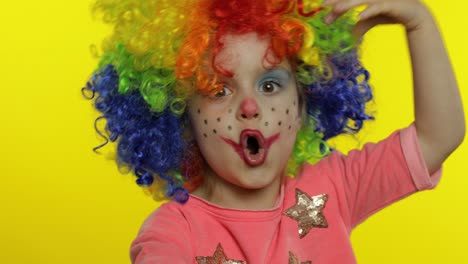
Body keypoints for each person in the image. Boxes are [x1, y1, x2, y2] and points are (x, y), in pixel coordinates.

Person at [84, 0, 464, 263]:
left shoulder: (332, 187)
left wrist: (419, 22)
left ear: (303, 106)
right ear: (183, 119)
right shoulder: (173, 232)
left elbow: (438, 137)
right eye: (220, 90)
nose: (250, 107)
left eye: (269, 86)